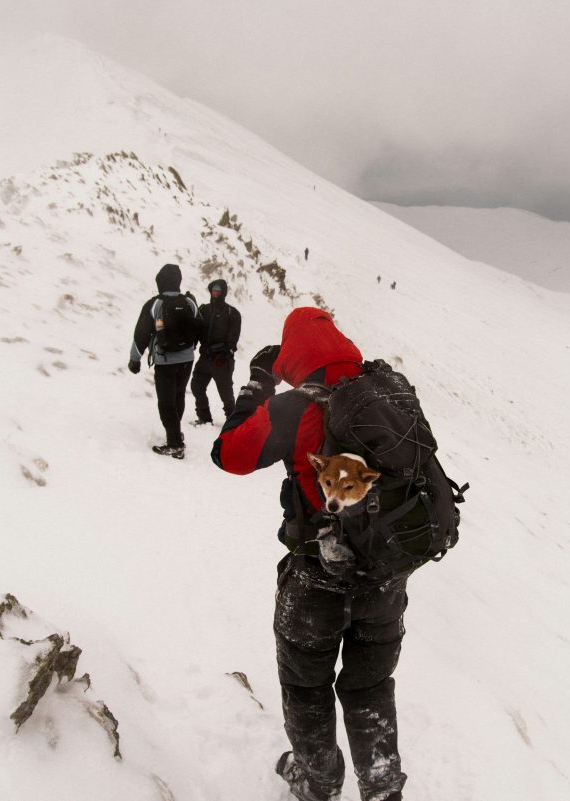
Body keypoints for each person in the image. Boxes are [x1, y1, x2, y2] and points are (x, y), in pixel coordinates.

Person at [211, 308, 407, 801]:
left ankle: (318, 783)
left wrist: (258, 384)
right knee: (370, 686)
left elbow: (228, 454)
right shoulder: (388, 393)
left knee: (306, 685)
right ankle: (382, 787)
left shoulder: (295, 408)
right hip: (385, 576)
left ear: (294, 355)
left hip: (316, 579)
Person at [127, 263, 198, 459]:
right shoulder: (190, 302)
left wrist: (135, 359)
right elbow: (198, 327)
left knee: (166, 403)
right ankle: (175, 432)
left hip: (165, 360)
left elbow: (141, 334)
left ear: (160, 281)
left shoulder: (155, 304)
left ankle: (175, 444)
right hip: (187, 359)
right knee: (178, 396)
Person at [190, 278, 242, 425]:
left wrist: (227, 352)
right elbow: (197, 330)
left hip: (221, 359)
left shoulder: (232, 313)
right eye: (213, 290)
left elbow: (233, 337)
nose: (215, 293)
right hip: (205, 357)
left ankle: (233, 421)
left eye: (218, 290)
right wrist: (192, 344)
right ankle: (204, 417)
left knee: (225, 393)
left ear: (223, 292)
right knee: (197, 386)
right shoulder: (203, 310)